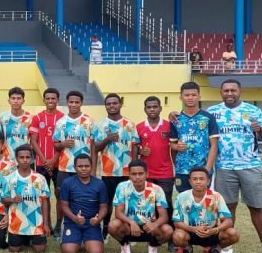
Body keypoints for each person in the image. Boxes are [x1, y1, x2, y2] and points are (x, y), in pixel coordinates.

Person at [208, 79, 262, 253]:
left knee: (256, 206)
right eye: (226, 90)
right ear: (221, 93)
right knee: (228, 206)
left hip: (250, 165)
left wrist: (260, 128)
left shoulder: (253, 111)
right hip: (224, 167)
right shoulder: (213, 112)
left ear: (240, 91)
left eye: (233, 90)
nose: (229, 93)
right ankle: (227, 243)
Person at [92, 93, 139, 238]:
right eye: (109, 104)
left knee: (126, 202)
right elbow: (95, 147)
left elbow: (135, 146)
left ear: (120, 104)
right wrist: (107, 139)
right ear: (105, 106)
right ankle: (105, 229)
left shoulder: (130, 124)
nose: (112, 106)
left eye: (114, 103)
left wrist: (134, 167)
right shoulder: (99, 125)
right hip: (108, 172)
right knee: (106, 202)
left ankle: (128, 230)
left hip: (126, 172)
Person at [172, 167, 240, 253]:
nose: (198, 182)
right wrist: (194, 229)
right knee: (178, 235)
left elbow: (228, 221)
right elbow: (177, 222)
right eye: (195, 179)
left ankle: (215, 249)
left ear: (208, 181)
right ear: (190, 181)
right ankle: (187, 249)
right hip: (190, 231)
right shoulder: (181, 197)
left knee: (233, 234)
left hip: (211, 232)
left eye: (201, 179)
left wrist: (214, 230)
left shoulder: (216, 196)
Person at [108, 160, 173, 253]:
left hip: (149, 227)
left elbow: (164, 216)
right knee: (113, 225)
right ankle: (125, 244)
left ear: (147, 174)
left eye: (140, 174)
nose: (137, 177)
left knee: (168, 230)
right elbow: (118, 213)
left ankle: (153, 245)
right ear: (129, 175)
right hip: (129, 227)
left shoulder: (156, 189)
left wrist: (154, 225)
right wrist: (131, 222)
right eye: (134, 174)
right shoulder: (122, 187)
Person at [52, 90, 95, 236]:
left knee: (84, 196)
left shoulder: (89, 121)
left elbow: (94, 146)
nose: (74, 105)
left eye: (77, 102)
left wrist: (93, 168)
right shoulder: (61, 122)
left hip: (84, 168)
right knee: (61, 196)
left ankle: (87, 224)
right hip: (65, 167)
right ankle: (59, 224)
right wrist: (63, 143)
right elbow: (56, 145)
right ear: (67, 103)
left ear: (81, 103)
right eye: (71, 102)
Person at [169, 82, 218, 193]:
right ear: (181, 97)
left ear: (199, 96)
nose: (190, 98)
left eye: (193, 95)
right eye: (187, 95)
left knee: (202, 201)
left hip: (202, 170)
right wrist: (176, 147)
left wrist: (207, 169)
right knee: (184, 201)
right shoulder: (175, 119)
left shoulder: (208, 118)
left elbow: (214, 145)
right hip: (182, 170)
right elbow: (172, 144)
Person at [1, 145, 51, 253]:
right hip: (17, 222)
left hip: (36, 222)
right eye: (21, 157)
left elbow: (45, 201)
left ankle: (30, 237)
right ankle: (20, 237)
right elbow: (3, 200)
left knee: (40, 249)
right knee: (14, 249)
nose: (25, 160)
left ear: (32, 159)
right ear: (17, 159)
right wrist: (12, 200)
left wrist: (46, 224)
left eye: (27, 157)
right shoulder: (10, 179)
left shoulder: (40, 178)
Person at [136, 96, 175, 228]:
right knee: (147, 203)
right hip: (146, 173)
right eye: (149, 107)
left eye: (155, 106)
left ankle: (169, 234)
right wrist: (140, 152)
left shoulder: (169, 126)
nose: (152, 109)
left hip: (165, 172)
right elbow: (135, 148)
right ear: (144, 109)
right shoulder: (139, 127)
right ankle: (147, 231)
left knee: (166, 203)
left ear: (160, 108)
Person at [29, 87, 64, 233]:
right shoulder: (37, 118)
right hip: (41, 163)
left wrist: (53, 159)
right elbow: (34, 141)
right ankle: (46, 224)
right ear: (44, 100)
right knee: (44, 195)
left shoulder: (63, 118)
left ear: (58, 100)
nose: (50, 101)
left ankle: (58, 225)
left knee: (59, 194)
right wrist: (44, 160)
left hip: (59, 163)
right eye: (48, 98)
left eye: (53, 98)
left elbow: (63, 142)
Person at [59, 154, 107, 253]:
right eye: (80, 166)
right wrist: (74, 218)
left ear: (91, 166)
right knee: (68, 251)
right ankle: (76, 239)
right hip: (72, 222)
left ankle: (86, 239)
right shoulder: (67, 183)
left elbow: (104, 207)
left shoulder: (99, 184)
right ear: (75, 167)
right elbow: (63, 205)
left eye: (87, 166)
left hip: (92, 223)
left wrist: (98, 219)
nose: (84, 169)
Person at [0, 87, 33, 161]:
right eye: (13, 98)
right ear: (9, 101)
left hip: (25, 159)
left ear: (23, 101)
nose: (16, 101)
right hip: (7, 158)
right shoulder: (2, 117)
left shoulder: (30, 118)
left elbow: (33, 140)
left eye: (19, 98)